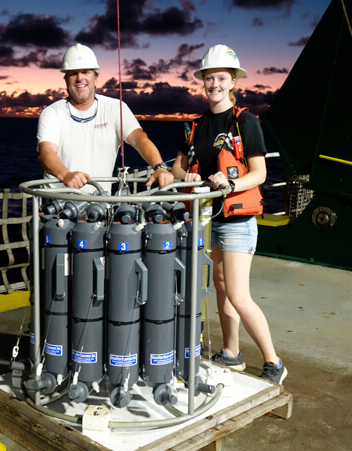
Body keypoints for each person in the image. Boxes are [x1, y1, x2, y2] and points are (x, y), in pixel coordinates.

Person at [171, 45, 287, 384]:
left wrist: (230, 182)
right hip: (212, 219)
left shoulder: (245, 122)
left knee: (238, 294)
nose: (215, 84)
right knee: (220, 287)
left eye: (221, 78)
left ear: (232, 81)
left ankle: (274, 361)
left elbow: (259, 173)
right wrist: (186, 176)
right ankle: (232, 354)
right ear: (202, 83)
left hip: (238, 222)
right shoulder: (194, 126)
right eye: (209, 79)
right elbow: (178, 167)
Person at [37, 43, 174, 193]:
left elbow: (139, 139)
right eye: (73, 73)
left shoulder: (115, 108)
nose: (80, 78)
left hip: (100, 206)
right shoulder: (52, 113)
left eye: (86, 72)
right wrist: (66, 175)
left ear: (96, 78)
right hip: (57, 206)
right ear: (66, 80)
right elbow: (46, 152)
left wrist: (159, 167)